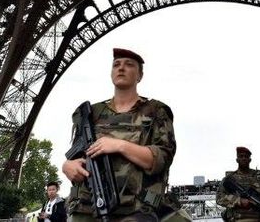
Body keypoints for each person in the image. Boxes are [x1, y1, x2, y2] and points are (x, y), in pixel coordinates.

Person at [62, 48, 179, 222]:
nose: (121, 68)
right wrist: (67, 166)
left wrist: (119, 145)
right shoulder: (91, 113)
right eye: (116, 64)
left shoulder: (156, 111)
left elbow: (162, 158)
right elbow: (77, 156)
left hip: (137, 209)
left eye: (129, 64)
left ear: (140, 76)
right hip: (89, 206)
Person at [216, 146, 260, 222]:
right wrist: (239, 201)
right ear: (237, 159)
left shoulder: (258, 178)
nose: (243, 158)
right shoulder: (230, 179)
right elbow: (219, 198)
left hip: (258, 218)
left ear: (250, 159)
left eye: (246, 156)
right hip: (237, 219)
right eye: (241, 156)